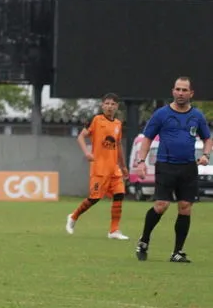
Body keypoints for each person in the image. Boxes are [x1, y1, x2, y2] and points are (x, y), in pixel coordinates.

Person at [133, 77, 211, 263]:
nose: (181, 93)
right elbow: (147, 138)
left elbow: (207, 138)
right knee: (161, 205)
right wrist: (141, 161)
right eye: (178, 89)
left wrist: (206, 155)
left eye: (185, 90)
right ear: (173, 91)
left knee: (185, 208)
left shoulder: (197, 116)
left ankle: (177, 252)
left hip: (188, 167)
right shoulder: (161, 114)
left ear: (191, 93)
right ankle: (144, 240)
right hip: (166, 165)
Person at [65, 93, 129, 239]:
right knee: (94, 198)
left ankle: (114, 230)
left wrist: (123, 166)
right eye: (107, 103)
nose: (110, 106)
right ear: (102, 105)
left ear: (117, 106)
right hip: (99, 168)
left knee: (119, 195)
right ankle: (73, 217)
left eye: (113, 104)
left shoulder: (118, 124)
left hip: (114, 169)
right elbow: (81, 136)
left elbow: (118, 146)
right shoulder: (96, 120)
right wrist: (87, 152)